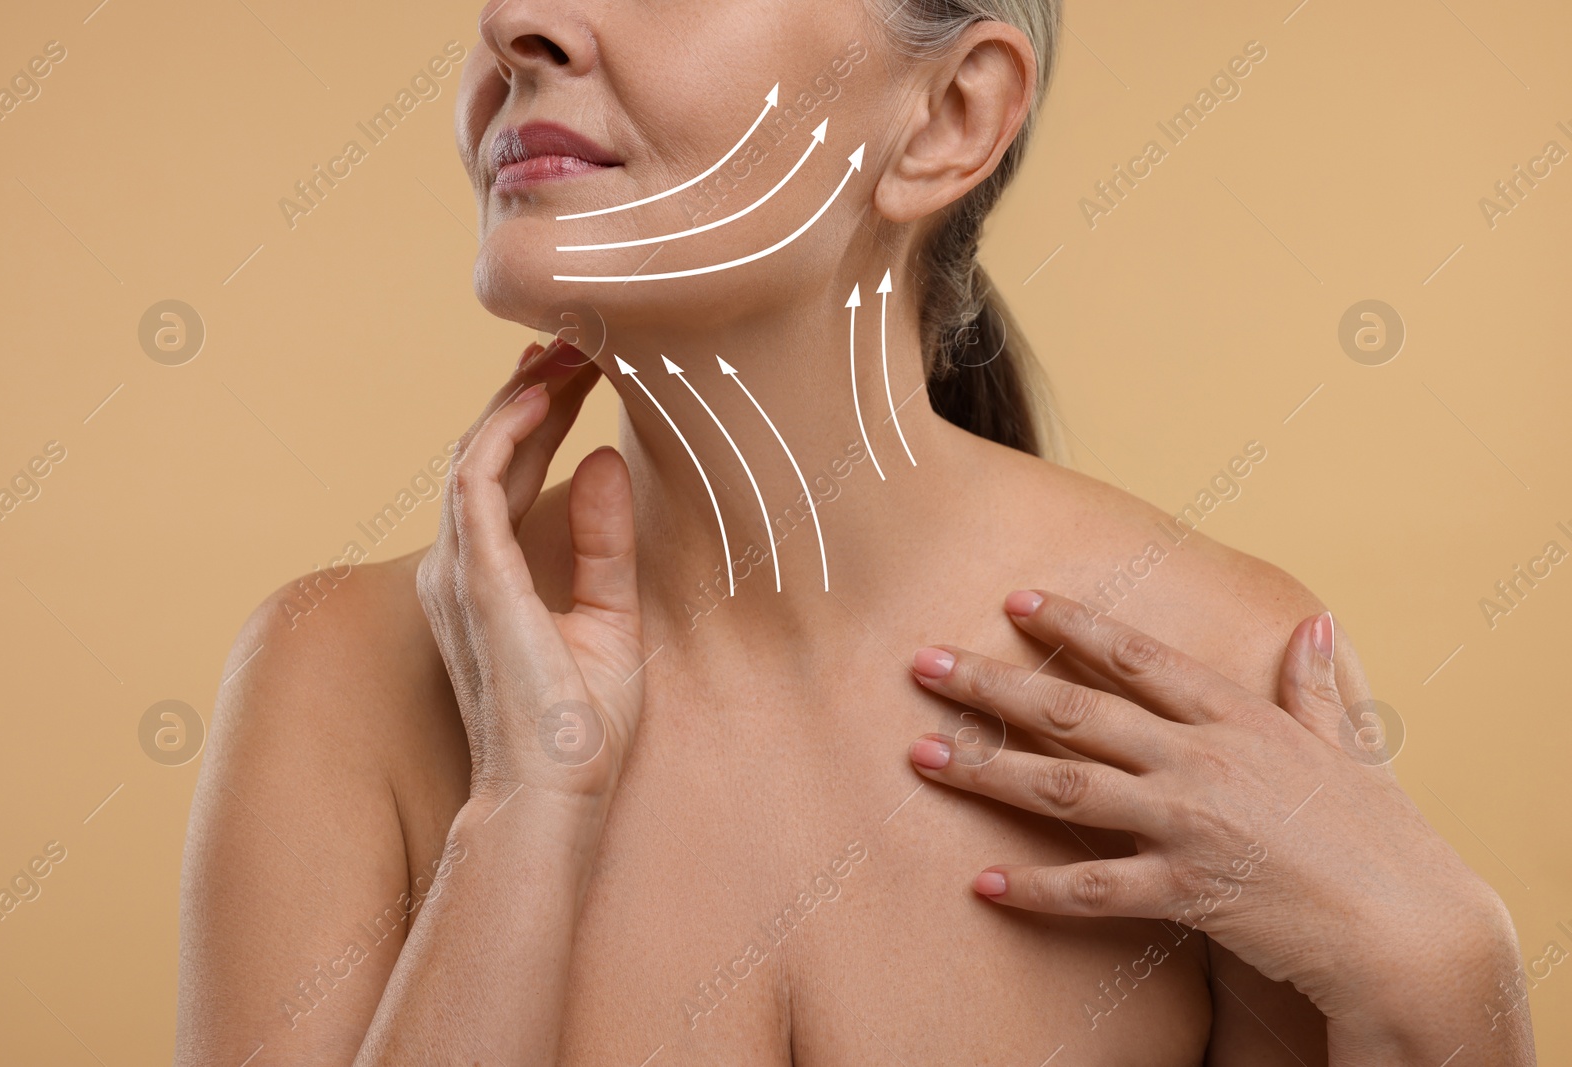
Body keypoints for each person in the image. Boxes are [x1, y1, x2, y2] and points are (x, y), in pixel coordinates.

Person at [175, 1, 1535, 1063]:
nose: (516, 23)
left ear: (949, 114)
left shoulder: (1210, 679)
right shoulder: (337, 681)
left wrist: (1453, 979)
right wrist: (527, 809)